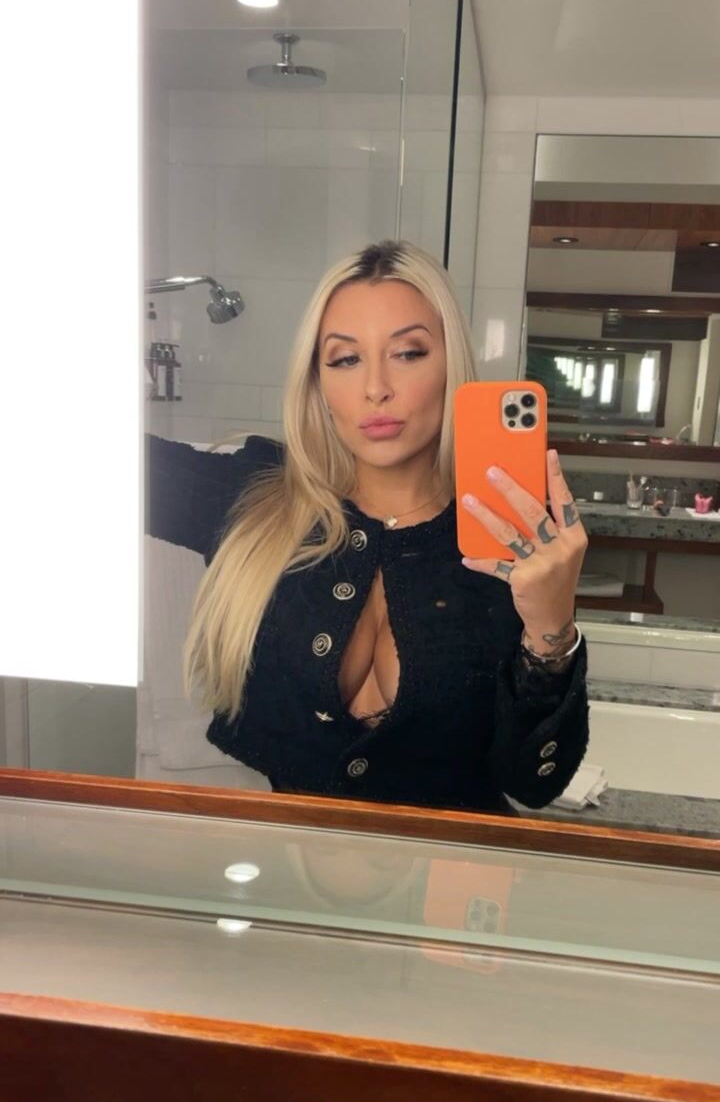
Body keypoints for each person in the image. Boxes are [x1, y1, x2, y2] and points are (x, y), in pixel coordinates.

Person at [145, 238, 590, 816]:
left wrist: (553, 630)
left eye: (408, 353)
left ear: (451, 367)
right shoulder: (260, 499)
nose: (376, 387)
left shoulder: (512, 534)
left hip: (458, 867)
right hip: (290, 860)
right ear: (317, 381)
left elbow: (533, 784)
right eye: (345, 359)